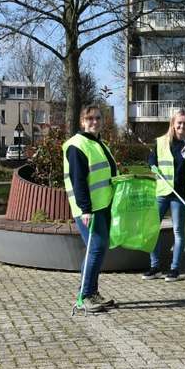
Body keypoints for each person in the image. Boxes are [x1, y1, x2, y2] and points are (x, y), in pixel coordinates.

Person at [142, 109, 185, 282]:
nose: (182, 126)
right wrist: (152, 166)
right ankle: (155, 267)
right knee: (152, 229)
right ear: (173, 124)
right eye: (179, 123)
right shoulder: (161, 143)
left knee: (178, 231)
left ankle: (175, 269)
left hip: (180, 196)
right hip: (162, 192)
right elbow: (151, 160)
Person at [63, 105, 118, 313]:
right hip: (89, 209)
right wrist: (85, 209)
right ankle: (84, 296)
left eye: (97, 118)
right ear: (82, 122)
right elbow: (79, 181)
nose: (94, 122)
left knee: (99, 247)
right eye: (89, 118)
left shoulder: (98, 144)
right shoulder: (77, 145)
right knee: (96, 246)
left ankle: (91, 292)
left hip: (102, 205)